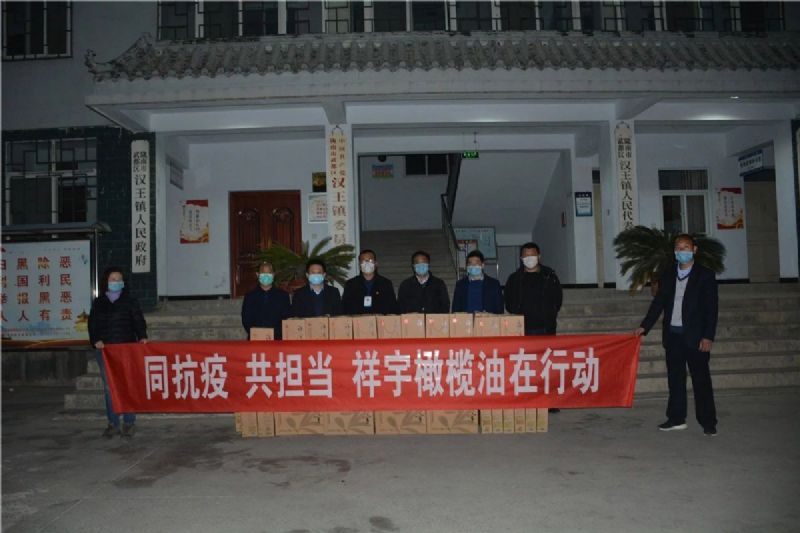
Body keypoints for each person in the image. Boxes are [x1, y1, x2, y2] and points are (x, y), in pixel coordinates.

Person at [635, 233, 718, 436]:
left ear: (694, 250)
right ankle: (676, 418)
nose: (682, 251)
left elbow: (711, 308)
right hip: (673, 336)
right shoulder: (669, 273)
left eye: (686, 247)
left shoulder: (705, 275)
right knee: (675, 380)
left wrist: (708, 336)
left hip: (696, 337)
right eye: (678, 248)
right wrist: (644, 326)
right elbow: (659, 303)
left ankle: (708, 422)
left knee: (701, 381)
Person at [88, 266, 148, 439]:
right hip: (106, 351)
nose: (116, 282)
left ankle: (129, 422)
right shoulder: (99, 302)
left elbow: (138, 320)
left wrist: (142, 336)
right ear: (106, 282)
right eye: (112, 279)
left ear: (123, 282)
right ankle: (113, 423)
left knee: (128, 384)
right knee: (109, 388)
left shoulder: (130, 301)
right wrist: (96, 340)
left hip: (126, 349)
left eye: (119, 279)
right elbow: (93, 324)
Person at [504, 242, 563, 335]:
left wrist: (550, 312)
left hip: (545, 327)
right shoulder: (514, 278)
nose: (529, 258)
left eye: (532, 255)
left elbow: (558, 299)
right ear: (521, 258)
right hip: (521, 327)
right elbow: (508, 299)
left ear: (539, 256)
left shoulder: (550, 277)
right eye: (526, 256)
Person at [241, 262, 291, 339]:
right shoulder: (249, 297)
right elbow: (246, 320)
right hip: (256, 338)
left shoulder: (283, 296)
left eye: (269, 273)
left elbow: (286, 318)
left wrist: (272, 334)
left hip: (277, 340)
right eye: (263, 273)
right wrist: (258, 333)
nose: (266, 275)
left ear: (273, 275)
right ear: (258, 275)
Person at [342, 249, 397, 315]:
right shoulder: (351, 285)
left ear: (376, 263)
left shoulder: (386, 284)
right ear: (360, 265)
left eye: (370, 260)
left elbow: (393, 309)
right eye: (363, 261)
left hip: (380, 320)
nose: (367, 263)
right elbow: (344, 309)